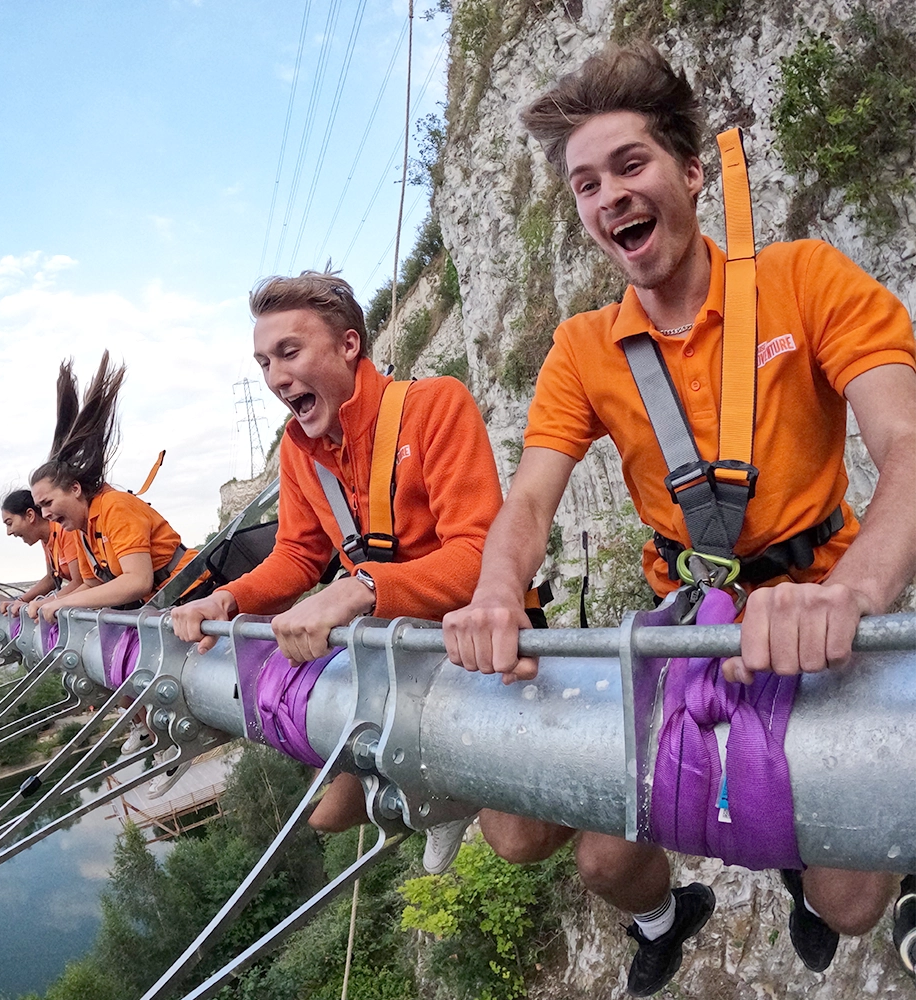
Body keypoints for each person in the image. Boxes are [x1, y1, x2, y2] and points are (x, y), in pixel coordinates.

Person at [442, 43, 916, 996]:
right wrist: (498, 595)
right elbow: (530, 500)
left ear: (691, 173)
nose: (609, 195)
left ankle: (798, 871)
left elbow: (906, 443)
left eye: (630, 165)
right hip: (685, 624)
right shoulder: (583, 350)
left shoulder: (805, 281)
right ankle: (670, 915)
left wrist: (853, 593)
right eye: (586, 184)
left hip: (817, 597)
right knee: (605, 864)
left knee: (850, 900)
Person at [170, 270, 506, 874]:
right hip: (382, 645)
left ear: (349, 345)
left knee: (519, 841)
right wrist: (226, 599)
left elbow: (478, 554)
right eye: (264, 361)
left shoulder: (433, 407)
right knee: (326, 818)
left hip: (459, 635)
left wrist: (362, 587)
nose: (274, 377)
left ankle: (438, 781)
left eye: (288, 352)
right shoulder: (302, 448)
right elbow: (298, 555)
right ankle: (410, 770)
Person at [29, 353, 202, 795]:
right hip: (160, 608)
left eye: (49, 504)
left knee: (138, 658)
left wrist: (61, 601)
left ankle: (175, 735)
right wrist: (52, 602)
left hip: (191, 596)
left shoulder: (116, 510)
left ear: (75, 489)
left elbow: (135, 581)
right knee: (110, 654)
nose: (46, 514)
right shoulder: (83, 528)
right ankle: (151, 728)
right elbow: (91, 583)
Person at [0, 489, 85, 616]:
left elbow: (79, 581)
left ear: (30, 515)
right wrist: (20, 601)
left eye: (10, 523)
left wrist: (45, 604)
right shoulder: (46, 539)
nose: (9, 532)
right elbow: (51, 578)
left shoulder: (65, 531)